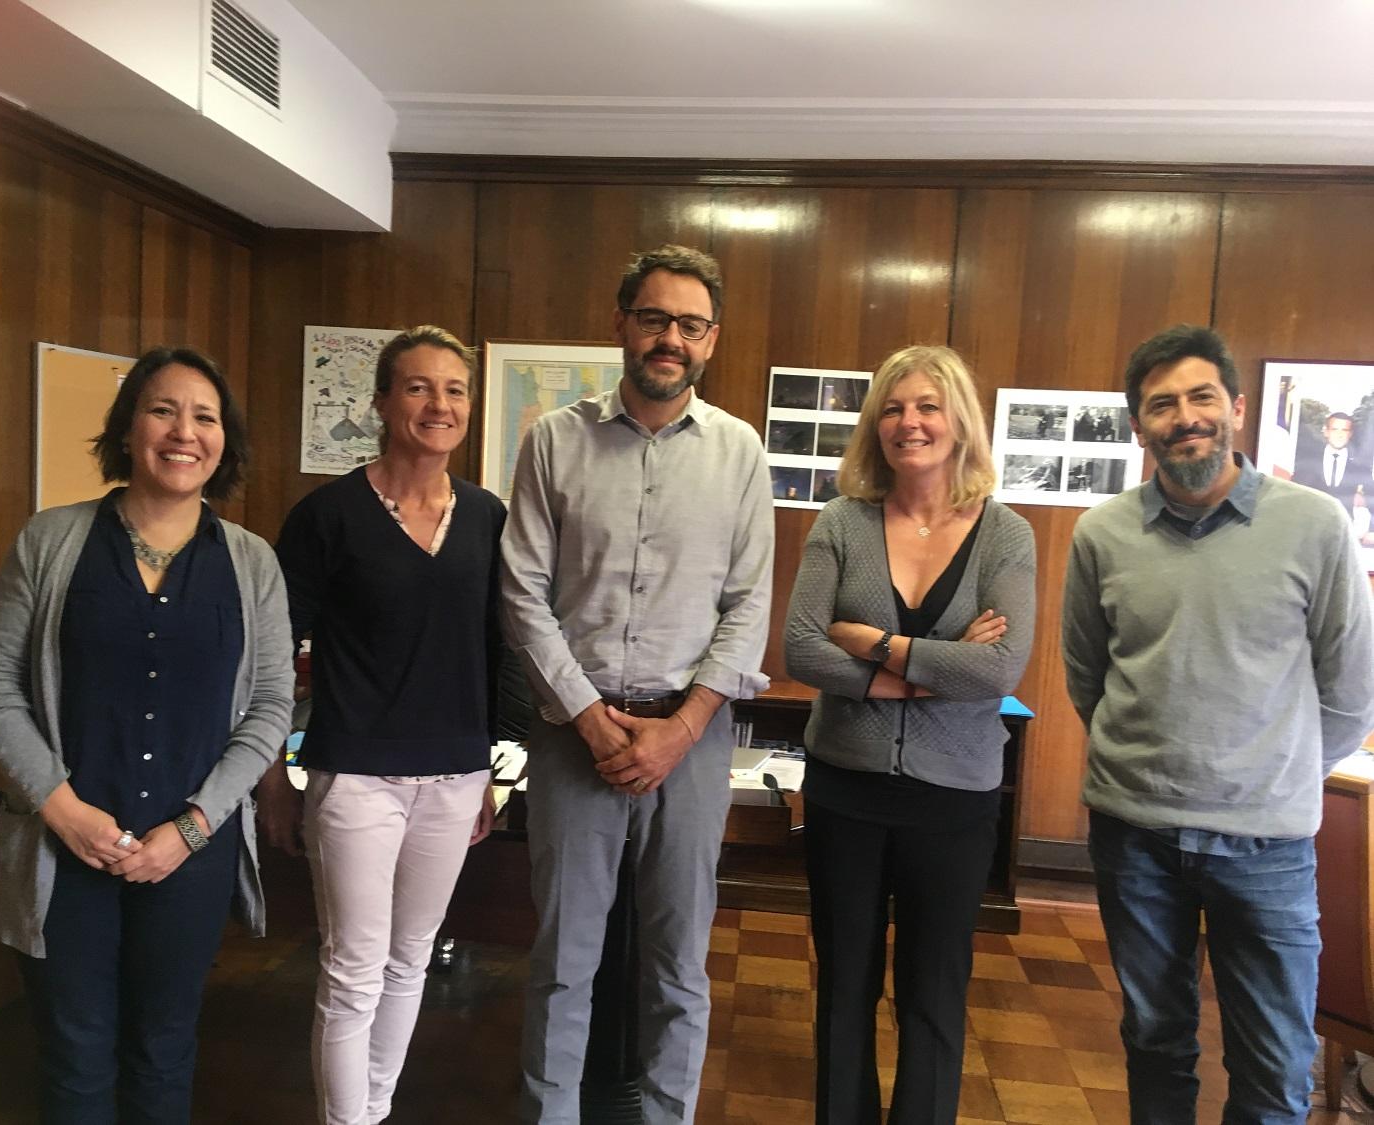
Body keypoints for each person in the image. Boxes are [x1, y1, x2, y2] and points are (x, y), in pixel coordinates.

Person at [0, 347, 295, 1123]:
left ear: (225, 440)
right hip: (62, 849)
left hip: (190, 853)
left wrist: (193, 824)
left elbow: (271, 707)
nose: (184, 431)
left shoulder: (253, 563)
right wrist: (61, 806)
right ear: (128, 429)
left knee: (164, 1048)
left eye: (205, 416)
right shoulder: (50, 541)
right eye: (162, 409)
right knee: (74, 1057)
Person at [1062, 324, 1374, 1124]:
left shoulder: (1315, 525)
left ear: (1235, 407)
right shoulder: (1103, 533)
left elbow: (1350, 691)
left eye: (1201, 396)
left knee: (1274, 1063)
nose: (1184, 415)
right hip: (1136, 836)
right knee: (1156, 1041)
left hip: (1267, 843)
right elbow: (1089, 679)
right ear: (1139, 426)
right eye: (1161, 404)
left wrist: (1274, 771)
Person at [501, 244, 774, 1123]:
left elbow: (748, 605)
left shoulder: (740, 453)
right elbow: (522, 591)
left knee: (677, 964)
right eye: (654, 317)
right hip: (574, 738)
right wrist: (586, 717)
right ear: (621, 324)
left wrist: (682, 727)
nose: (670, 338)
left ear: (711, 341)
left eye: (690, 325)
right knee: (562, 960)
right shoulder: (553, 440)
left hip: (689, 746)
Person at [255, 325, 505, 1125]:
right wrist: (271, 780)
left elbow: (495, 652)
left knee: (408, 963)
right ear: (382, 400)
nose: (440, 404)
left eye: (455, 389)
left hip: (457, 774)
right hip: (355, 776)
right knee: (354, 967)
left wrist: (489, 775)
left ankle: (375, 1110)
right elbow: (269, 656)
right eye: (419, 386)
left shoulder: (490, 518)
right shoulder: (326, 515)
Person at [783, 344, 1036, 1124]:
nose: (909, 422)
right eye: (892, 408)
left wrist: (874, 643)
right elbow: (798, 645)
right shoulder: (842, 520)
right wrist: (921, 673)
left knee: (933, 991)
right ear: (874, 426)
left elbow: (999, 669)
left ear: (959, 421)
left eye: (927, 405)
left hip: (953, 798)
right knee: (845, 985)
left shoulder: (1006, 536)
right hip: (845, 786)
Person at [1295, 410, 1359, 516]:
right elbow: (1296, 494)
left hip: (1344, 527)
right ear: (1326, 432)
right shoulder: (1307, 462)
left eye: (1344, 430)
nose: (1340, 435)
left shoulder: (1359, 467)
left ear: (1350, 434)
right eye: (1335, 429)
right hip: (1312, 523)